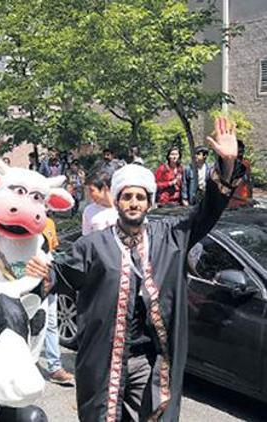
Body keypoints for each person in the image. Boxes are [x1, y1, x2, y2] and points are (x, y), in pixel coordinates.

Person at [25, 116, 242, 421]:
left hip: (150, 362)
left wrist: (227, 164)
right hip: (104, 360)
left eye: (140, 197)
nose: (134, 202)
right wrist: (39, 273)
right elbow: (60, 276)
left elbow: (208, 210)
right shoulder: (93, 245)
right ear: (116, 201)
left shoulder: (171, 236)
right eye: (127, 196)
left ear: (150, 203)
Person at [42, 216, 75, 385]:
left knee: (51, 323)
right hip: (25, 281)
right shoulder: (17, 222)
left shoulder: (49, 223)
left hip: (48, 280)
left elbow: (51, 250)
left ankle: (55, 368)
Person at [82, 171, 118, 235]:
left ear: (104, 188)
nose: (89, 194)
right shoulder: (89, 211)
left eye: (92, 190)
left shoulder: (121, 208)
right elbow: (86, 237)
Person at [228, 140, 253, 209]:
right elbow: (227, 191)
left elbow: (248, 182)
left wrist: (250, 198)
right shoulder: (228, 165)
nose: (240, 153)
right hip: (232, 206)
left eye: (242, 150)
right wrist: (245, 199)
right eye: (238, 150)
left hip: (245, 204)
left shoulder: (246, 164)